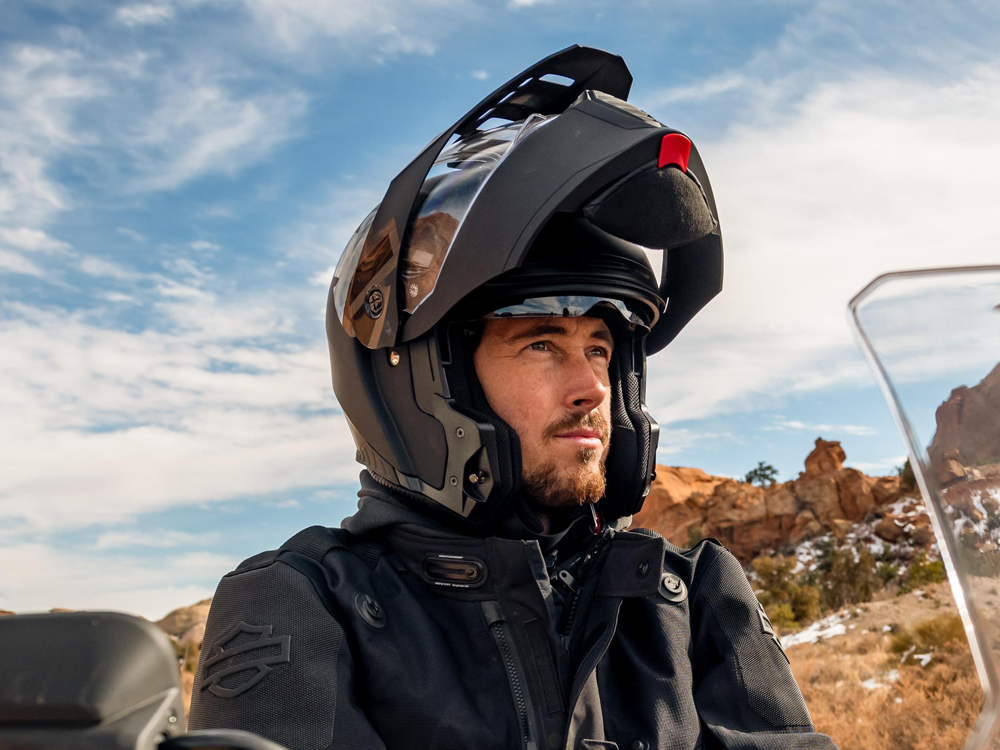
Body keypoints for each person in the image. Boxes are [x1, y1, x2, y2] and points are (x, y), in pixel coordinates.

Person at [189, 46, 837, 750]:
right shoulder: (303, 603)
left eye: (601, 349)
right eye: (541, 345)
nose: (591, 387)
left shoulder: (689, 598)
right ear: (423, 379)